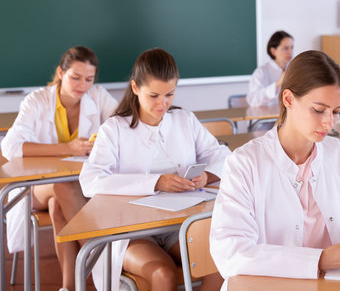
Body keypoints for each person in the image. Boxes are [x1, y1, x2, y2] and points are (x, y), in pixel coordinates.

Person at [210, 50, 340, 287]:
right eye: (319, 110)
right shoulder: (244, 162)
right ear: (288, 99)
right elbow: (232, 253)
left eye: (337, 111)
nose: (329, 122)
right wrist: (320, 260)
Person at [79, 48, 230, 291]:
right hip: (133, 232)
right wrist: (156, 182)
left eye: (170, 94)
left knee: (220, 263)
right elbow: (91, 180)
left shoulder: (185, 120)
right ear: (135, 88)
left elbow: (223, 156)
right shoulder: (114, 129)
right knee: (162, 273)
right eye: (154, 95)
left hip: (180, 225)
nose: (163, 103)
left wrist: (207, 175)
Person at [1, 46, 117, 291]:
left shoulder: (98, 96)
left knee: (58, 206)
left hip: (77, 187)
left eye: (89, 79)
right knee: (62, 186)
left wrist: (105, 140)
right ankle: (101, 258)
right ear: (61, 73)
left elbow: (123, 126)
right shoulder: (37, 100)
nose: (82, 85)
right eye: (75, 77)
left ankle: (69, 287)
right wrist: (68, 148)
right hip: (35, 189)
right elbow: (11, 146)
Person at [246, 30, 294, 107]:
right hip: (267, 118)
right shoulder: (261, 72)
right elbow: (253, 100)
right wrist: (278, 84)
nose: (290, 52)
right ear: (273, 51)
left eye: (292, 48)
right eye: (286, 48)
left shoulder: (294, 69)